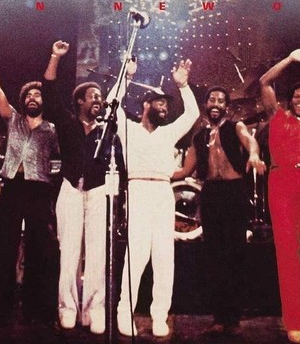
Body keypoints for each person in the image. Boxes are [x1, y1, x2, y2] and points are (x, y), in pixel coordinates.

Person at [107, 58, 199, 338]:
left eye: (167, 105)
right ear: (146, 104)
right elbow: (111, 105)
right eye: (160, 103)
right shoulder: (129, 129)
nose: (165, 108)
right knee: (136, 256)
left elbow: (192, 114)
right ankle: (125, 313)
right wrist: (126, 75)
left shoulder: (168, 132)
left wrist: (183, 85)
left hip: (162, 192)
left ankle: (160, 316)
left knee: (163, 258)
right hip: (137, 191)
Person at [0, 27, 61, 328]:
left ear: (44, 100)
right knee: (4, 248)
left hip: (40, 190)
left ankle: (35, 311)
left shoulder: (53, 129)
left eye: (37, 94)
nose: (33, 97)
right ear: (23, 99)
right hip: (12, 187)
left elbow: (60, 160)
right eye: (28, 94)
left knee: (39, 250)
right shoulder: (13, 118)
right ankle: (0, 311)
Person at [42, 47, 124, 335]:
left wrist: (126, 75)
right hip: (70, 190)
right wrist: (55, 57)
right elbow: (49, 92)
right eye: (93, 96)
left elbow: (120, 166)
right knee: (69, 253)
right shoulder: (67, 122)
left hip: (99, 192)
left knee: (98, 253)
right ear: (80, 101)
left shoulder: (107, 130)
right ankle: (68, 308)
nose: (99, 100)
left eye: (101, 97)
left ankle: (94, 310)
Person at [172, 85, 266, 337]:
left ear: (226, 106)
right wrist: (154, 172)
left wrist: (254, 155)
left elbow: (250, 142)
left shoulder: (236, 127)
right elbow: (185, 171)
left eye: (221, 100)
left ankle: (233, 318)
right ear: (206, 104)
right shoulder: (199, 137)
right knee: (214, 257)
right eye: (212, 99)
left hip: (234, 193)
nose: (215, 103)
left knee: (234, 255)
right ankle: (218, 318)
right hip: (211, 194)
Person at [259, 45, 300, 344]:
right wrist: (289, 59)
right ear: (290, 99)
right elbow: (264, 82)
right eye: (297, 96)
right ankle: (293, 320)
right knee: (287, 251)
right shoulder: (277, 117)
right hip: (281, 181)